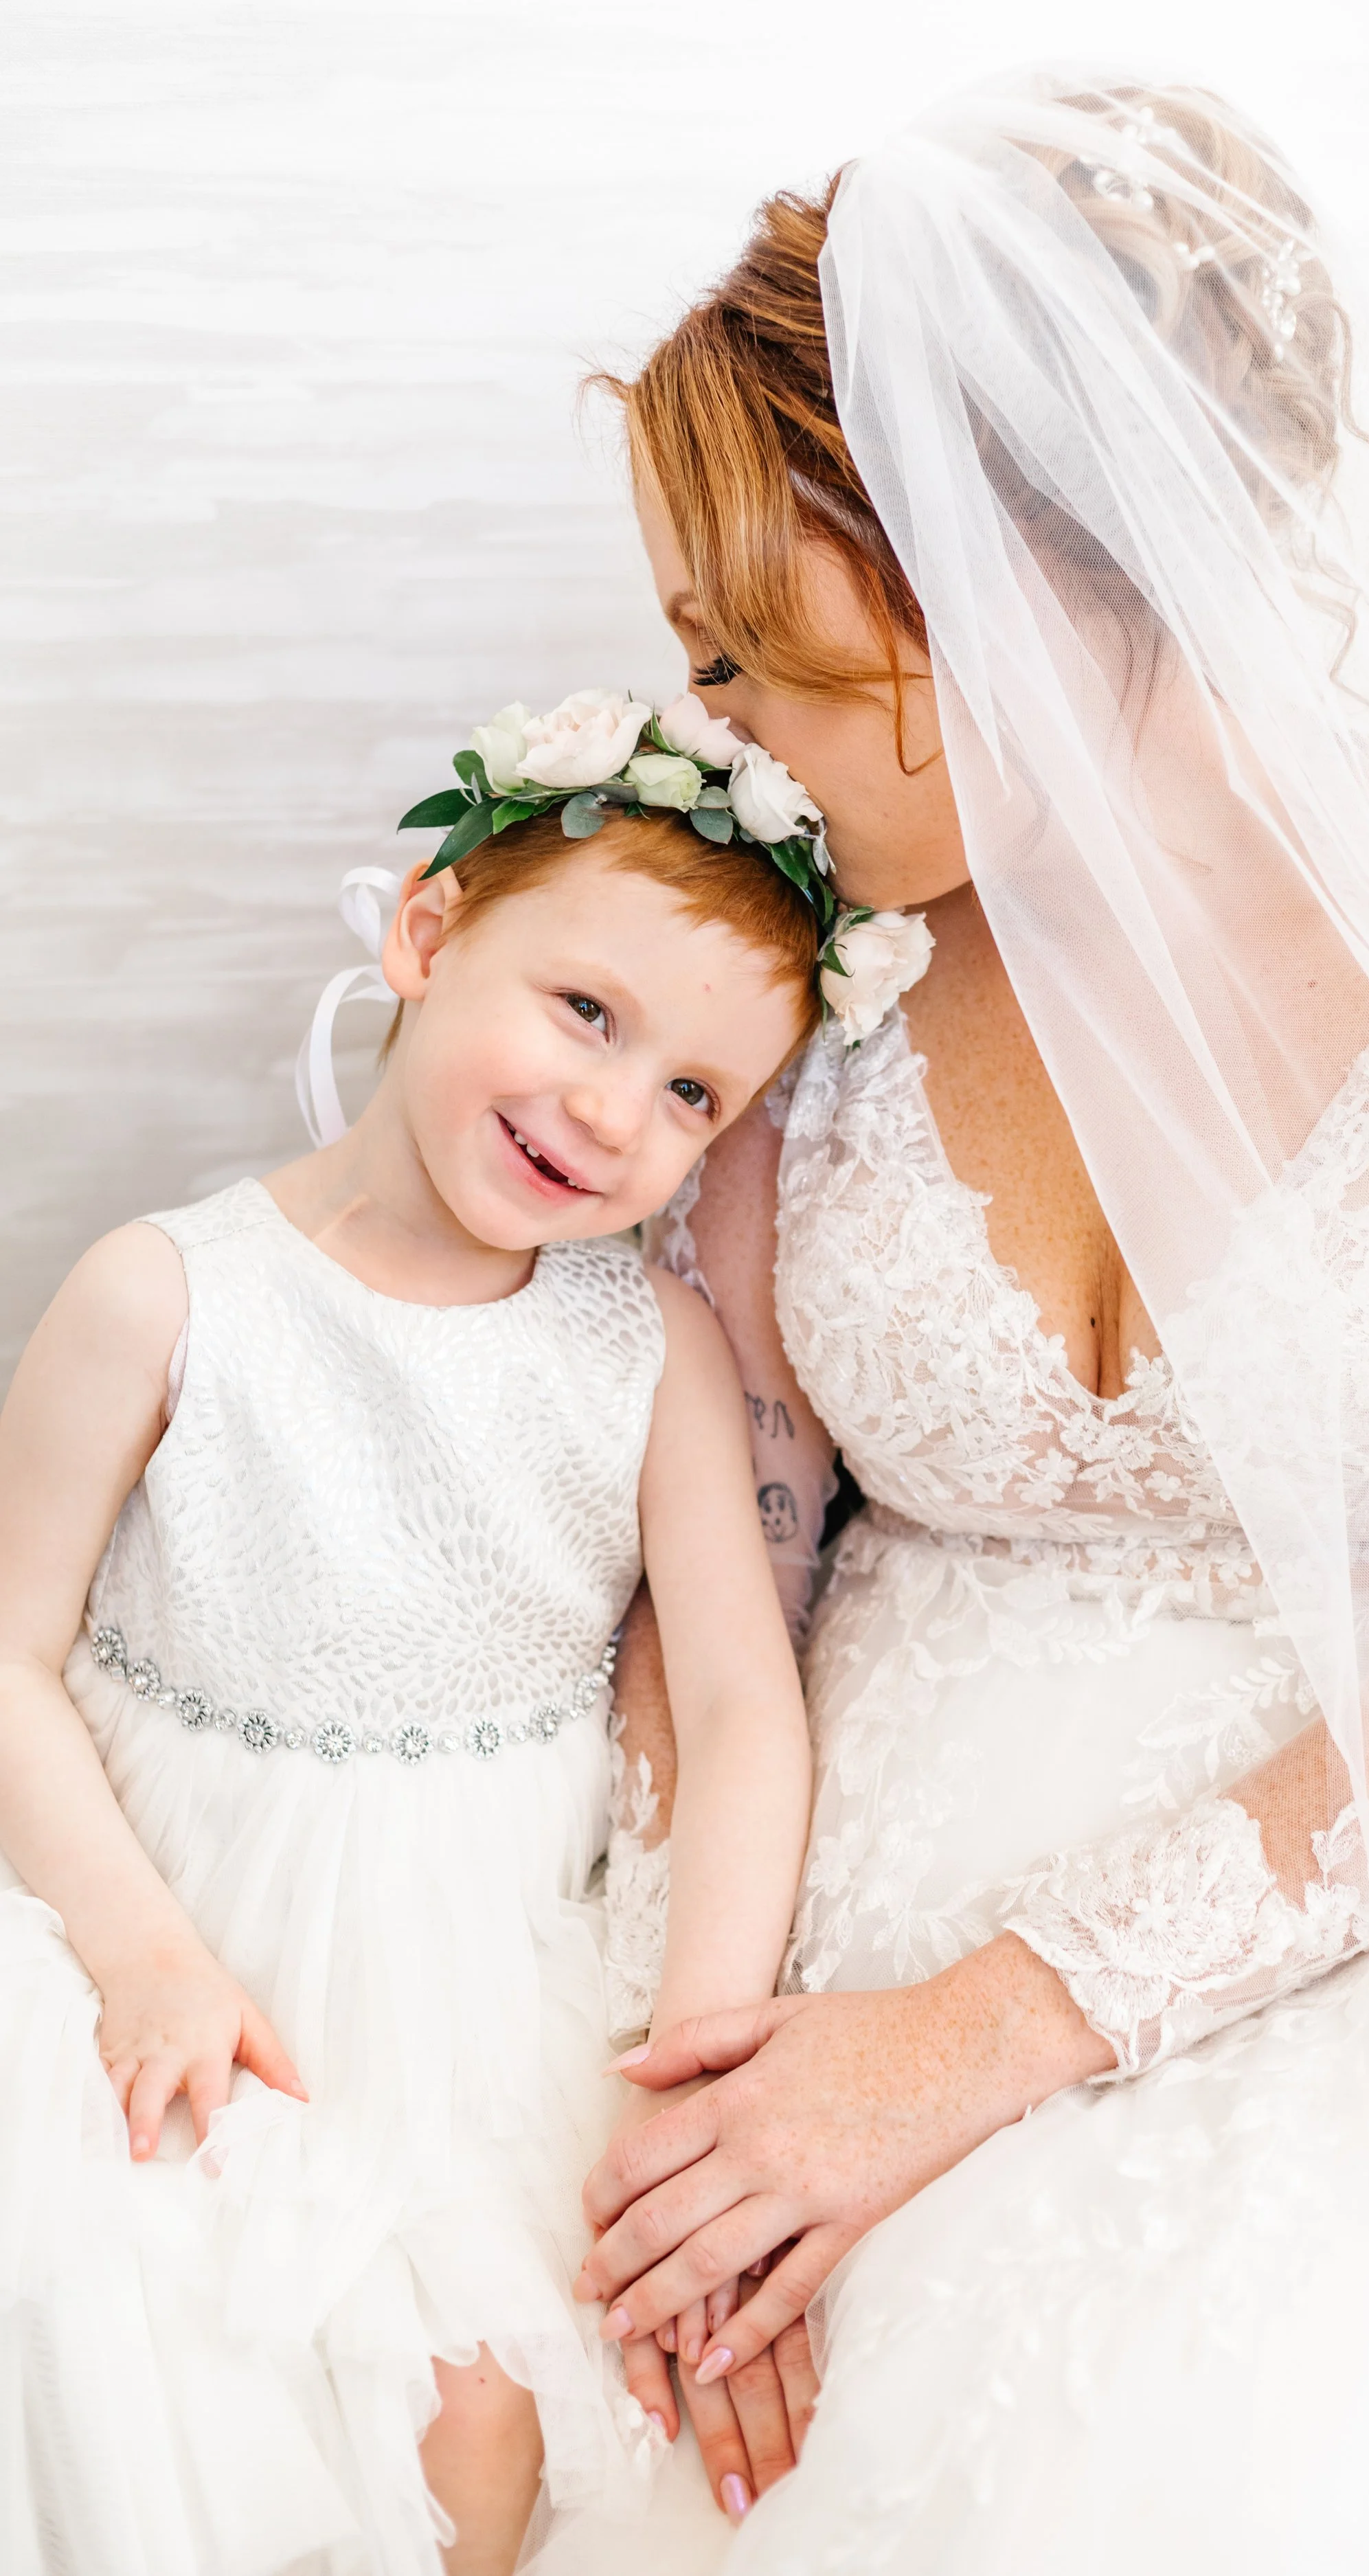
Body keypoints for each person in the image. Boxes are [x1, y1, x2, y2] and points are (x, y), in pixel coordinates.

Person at [575, 74, 1369, 2568]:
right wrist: (705, 2078)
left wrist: (961, 2046)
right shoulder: (804, 956)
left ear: (988, 567)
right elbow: (730, 1512)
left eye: (749, 652)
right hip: (796, 1919)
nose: (717, 734)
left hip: (1355, 1917)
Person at [0, 692, 931, 2575]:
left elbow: (746, 1712)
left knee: (484, 2425)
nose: (613, 1110)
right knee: (173, 2365)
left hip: (483, 1971)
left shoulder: (647, 1351)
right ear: (423, 937)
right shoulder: (166, 1293)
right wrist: (147, 1959)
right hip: (187, 1923)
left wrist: (705, 2042)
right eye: (587, 1012)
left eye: (692, 1095)